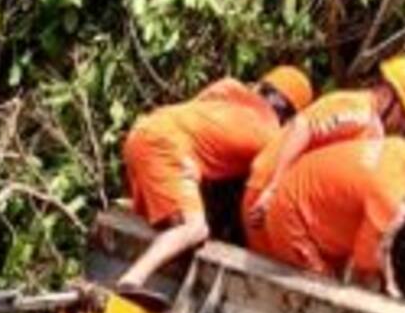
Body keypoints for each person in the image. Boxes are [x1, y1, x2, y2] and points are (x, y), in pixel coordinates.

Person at [116, 65, 314, 292]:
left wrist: (194, 159)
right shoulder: (268, 137)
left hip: (145, 129)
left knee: (163, 219)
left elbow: (198, 123)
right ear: (289, 114)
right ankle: (132, 280)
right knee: (195, 228)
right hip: (167, 149)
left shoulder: (228, 87)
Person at [252, 131, 405, 296]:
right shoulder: (391, 197)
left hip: (299, 193)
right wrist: (390, 289)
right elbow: (366, 258)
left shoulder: (400, 148)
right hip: (292, 218)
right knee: (326, 294)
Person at [243, 54, 405, 237]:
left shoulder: (371, 128)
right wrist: (272, 189)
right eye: (403, 115)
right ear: (388, 94)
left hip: (288, 205)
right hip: (267, 196)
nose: (401, 125)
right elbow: (303, 128)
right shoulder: (356, 109)